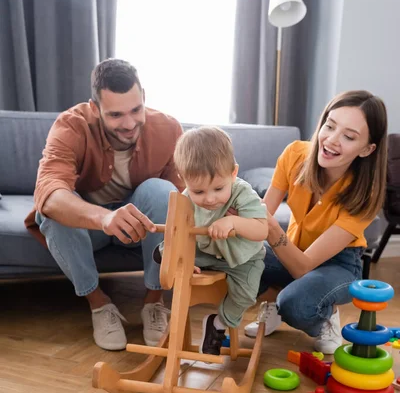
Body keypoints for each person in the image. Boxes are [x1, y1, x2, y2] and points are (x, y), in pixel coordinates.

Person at [25, 59, 184, 351]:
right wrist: (104, 219)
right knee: (51, 213)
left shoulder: (169, 129)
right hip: (91, 231)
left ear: (144, 97)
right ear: (95, 109)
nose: (129, 123)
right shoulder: (71, 125)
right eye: (116, 115)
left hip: (143, 230)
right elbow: (49, 192)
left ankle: (154, 303)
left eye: (136, 110)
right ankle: (99, 305)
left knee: (165, 193)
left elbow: (187, 200)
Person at [244, 90, 388, 354]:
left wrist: (272, 227)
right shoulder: (295, 155)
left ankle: (323, 315)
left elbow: (303, 266)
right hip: (290, 249)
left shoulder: (365, 193)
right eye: (329, 126)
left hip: (339, 264)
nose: (331, 140)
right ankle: (278, 303)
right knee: (235, 257)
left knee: (297, 304)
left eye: (348, 136)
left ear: (367, 149)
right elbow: (261, 214)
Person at [153, 126, 269, 355]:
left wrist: (234, 223)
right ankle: (166, 252)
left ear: (233, 173)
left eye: (218, 188)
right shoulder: (185, 198)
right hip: (205, 252)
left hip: (241, 257)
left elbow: (261, 230)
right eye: (199, 192)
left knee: (246, 294)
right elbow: (179, 230)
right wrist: (180, 256)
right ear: (183, 180)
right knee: (175, 243)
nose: (209, 199)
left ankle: (217, 324)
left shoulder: (242, 192)